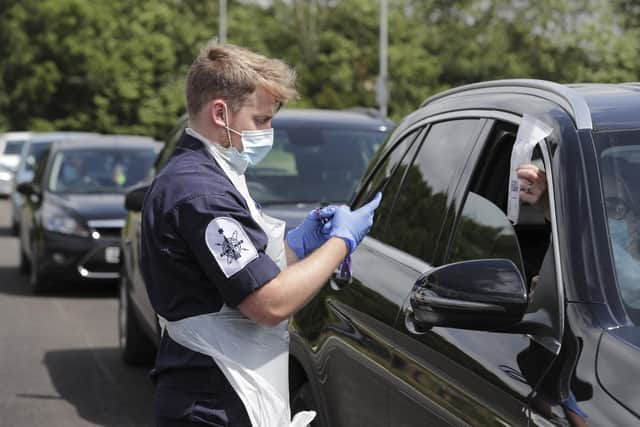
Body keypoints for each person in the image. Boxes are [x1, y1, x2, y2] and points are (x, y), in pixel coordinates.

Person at [140, 41, 381, 427]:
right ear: (220, 112)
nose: (269, 131)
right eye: (261, 120)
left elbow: (238, 271)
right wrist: (341, 243)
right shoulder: (202, 194)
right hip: (216, 402)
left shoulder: (211, 175)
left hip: (222, 392)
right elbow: (268, 304)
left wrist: (300, 245)